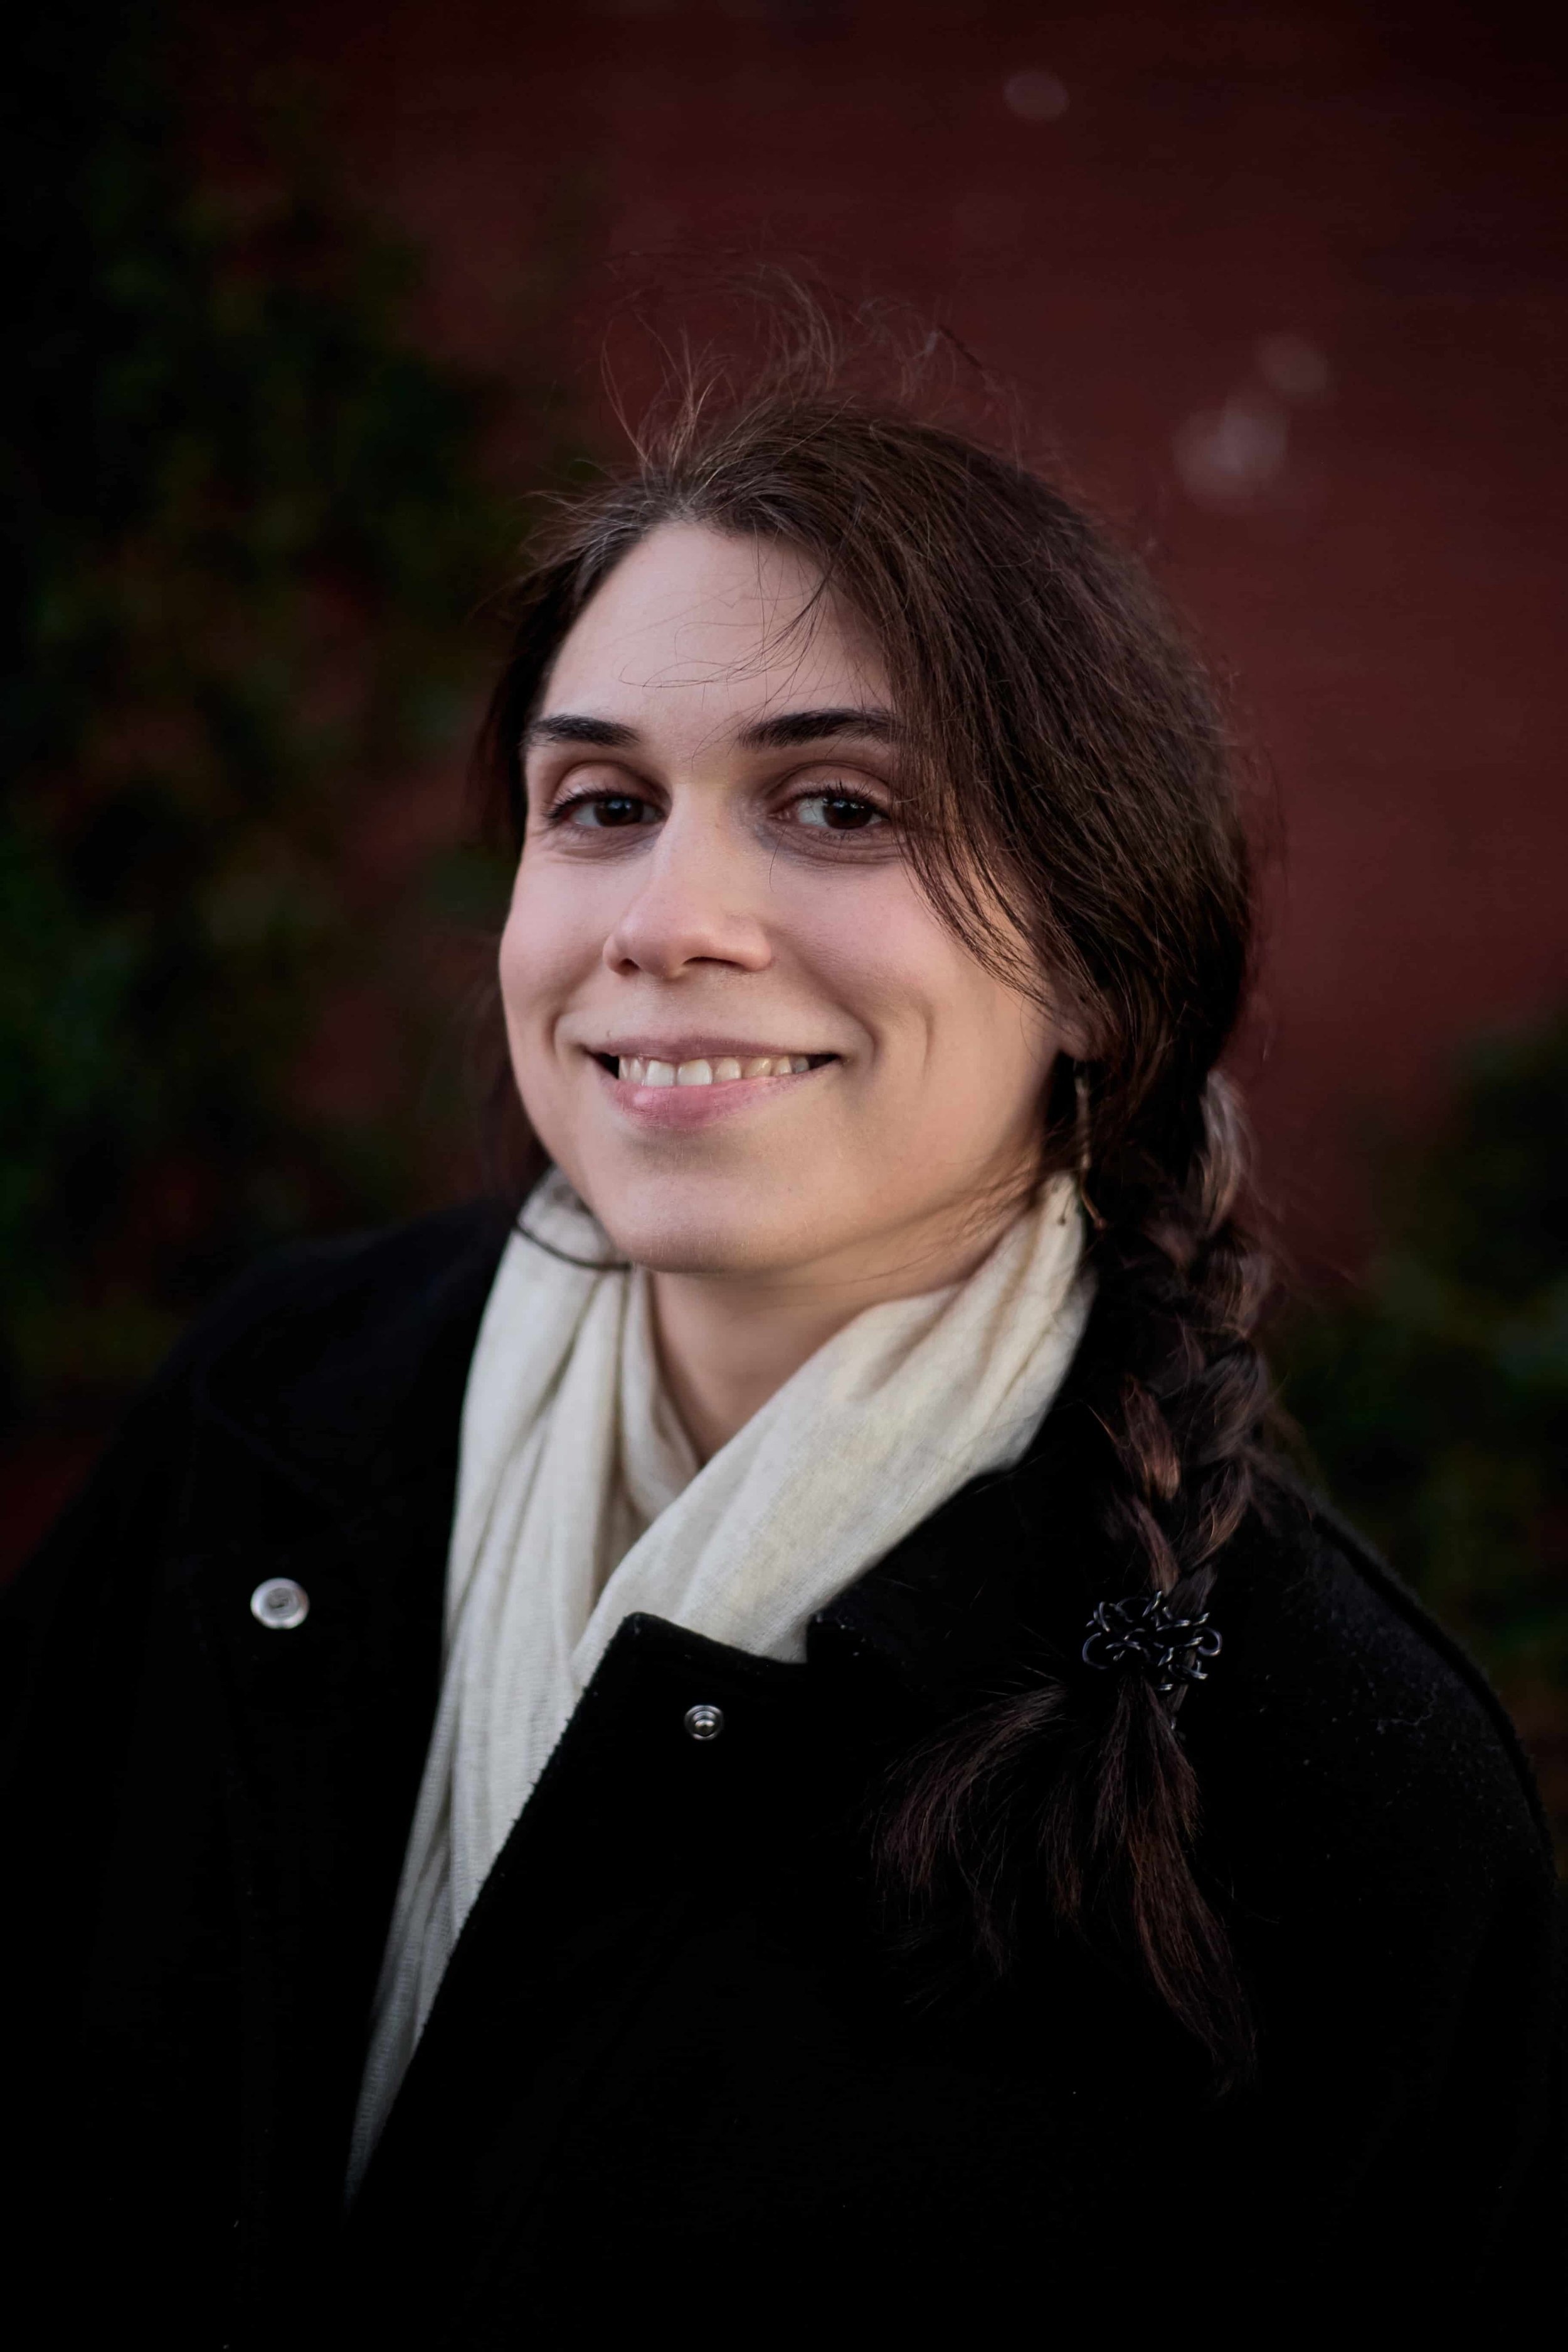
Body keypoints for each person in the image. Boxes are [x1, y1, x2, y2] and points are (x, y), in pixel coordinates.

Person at [4, 363, 1561, 2345]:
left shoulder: (1331, 1791)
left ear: (1095, 956)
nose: (666, 919)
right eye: (601, 805)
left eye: (835, 805)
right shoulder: (270, 1416)